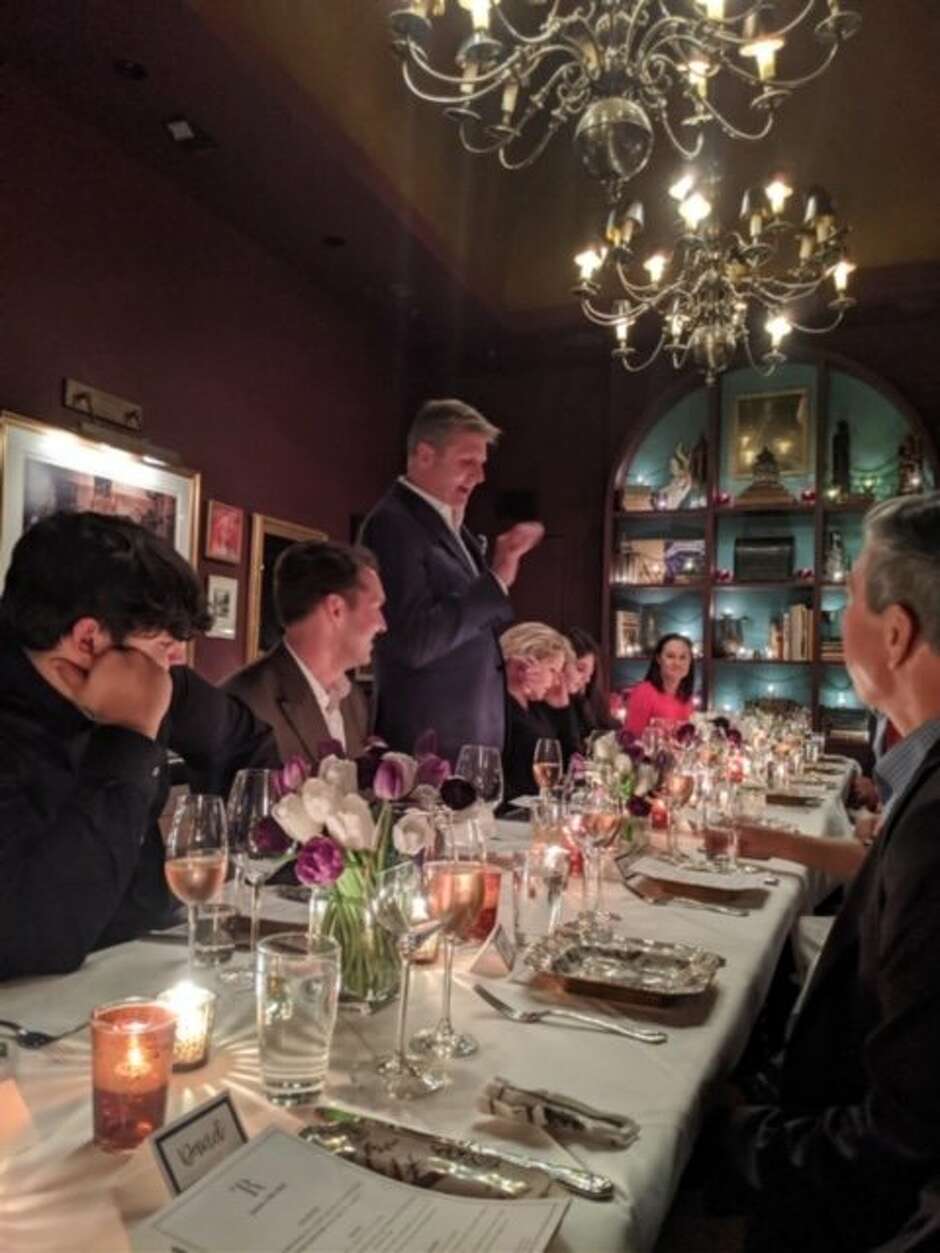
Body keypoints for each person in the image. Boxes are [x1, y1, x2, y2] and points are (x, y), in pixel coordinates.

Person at [722, 492, 940, 1251]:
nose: (834, 616)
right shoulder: (920, 777)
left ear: (896, 631)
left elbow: (903, 1135)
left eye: (845, 597)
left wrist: (727, 1141)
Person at [0, 511, 277, 981]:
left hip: (146, 963)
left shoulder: (163, 683)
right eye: (166, 642)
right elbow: (35, 938)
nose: (178, 659)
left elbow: (250, 746)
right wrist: (128, 735)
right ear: (89, 639)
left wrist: (225, 845)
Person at [360, 398, 543, 762]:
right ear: (425, 455)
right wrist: (496, 579)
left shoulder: (453, 524)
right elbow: (413, 642)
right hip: (427, 750)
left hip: (467, 747)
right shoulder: (392, 525)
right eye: (467, 462)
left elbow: (462, 633)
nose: (480, 476)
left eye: (482, 464)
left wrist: (507, 666)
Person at [225, 540, 382, 761]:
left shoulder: (354, 701)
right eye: (376, 607)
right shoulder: (243, 703)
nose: (382, 624)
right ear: (336, 609)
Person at [499, 622, 575, 802]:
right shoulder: (499, 706)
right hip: (510, 816)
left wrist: (562, 710)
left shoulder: (537, 707)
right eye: (552, 670)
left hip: (537, 809)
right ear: (528, 663)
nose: (557, 680)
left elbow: (571, 763)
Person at [625, 633, 695, 736]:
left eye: (683, 657)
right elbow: (632, 740)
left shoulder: (686, 697)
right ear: (658, 659)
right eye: (670, 656)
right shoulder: (644, 692)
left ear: (690, 661)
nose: (677, 663)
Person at [564, 626, 618, 741]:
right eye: (580, 669)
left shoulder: (586, 702)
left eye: (590, 674)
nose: (587, 680)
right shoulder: (542, 707)